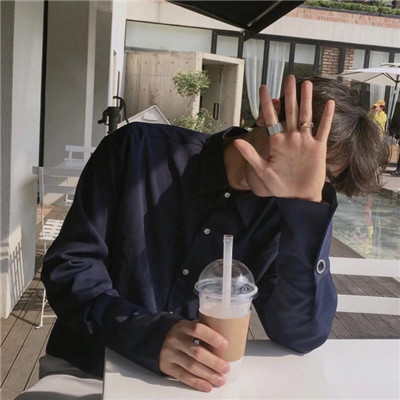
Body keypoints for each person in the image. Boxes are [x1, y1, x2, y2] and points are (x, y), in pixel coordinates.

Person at [21, 75, 389, 398]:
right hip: (89, 371)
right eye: (298, 151)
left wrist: (305, 211)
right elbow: (69, 268)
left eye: (319, 172)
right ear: (270, 114)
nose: (294, 174)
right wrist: (144, 334)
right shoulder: (137, 151)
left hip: (199, 390)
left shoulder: (287, 217)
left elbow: (301, 334)